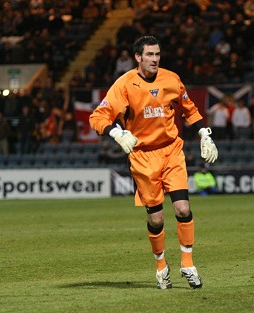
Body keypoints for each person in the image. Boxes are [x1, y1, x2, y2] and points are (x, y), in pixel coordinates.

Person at [89, 36, 218, 288]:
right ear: (138, 57)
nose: (155, 59)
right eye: (149, 55)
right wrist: (116, 132)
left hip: (171, 150)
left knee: (182, 209)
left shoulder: (171, 79)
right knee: (156, 219)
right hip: (143, 157)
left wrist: (204, 133)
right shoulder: (125, 84)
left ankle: (188, 264)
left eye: (157, 54)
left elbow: (189, 108)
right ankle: (161, 267)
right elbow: (98, 116)